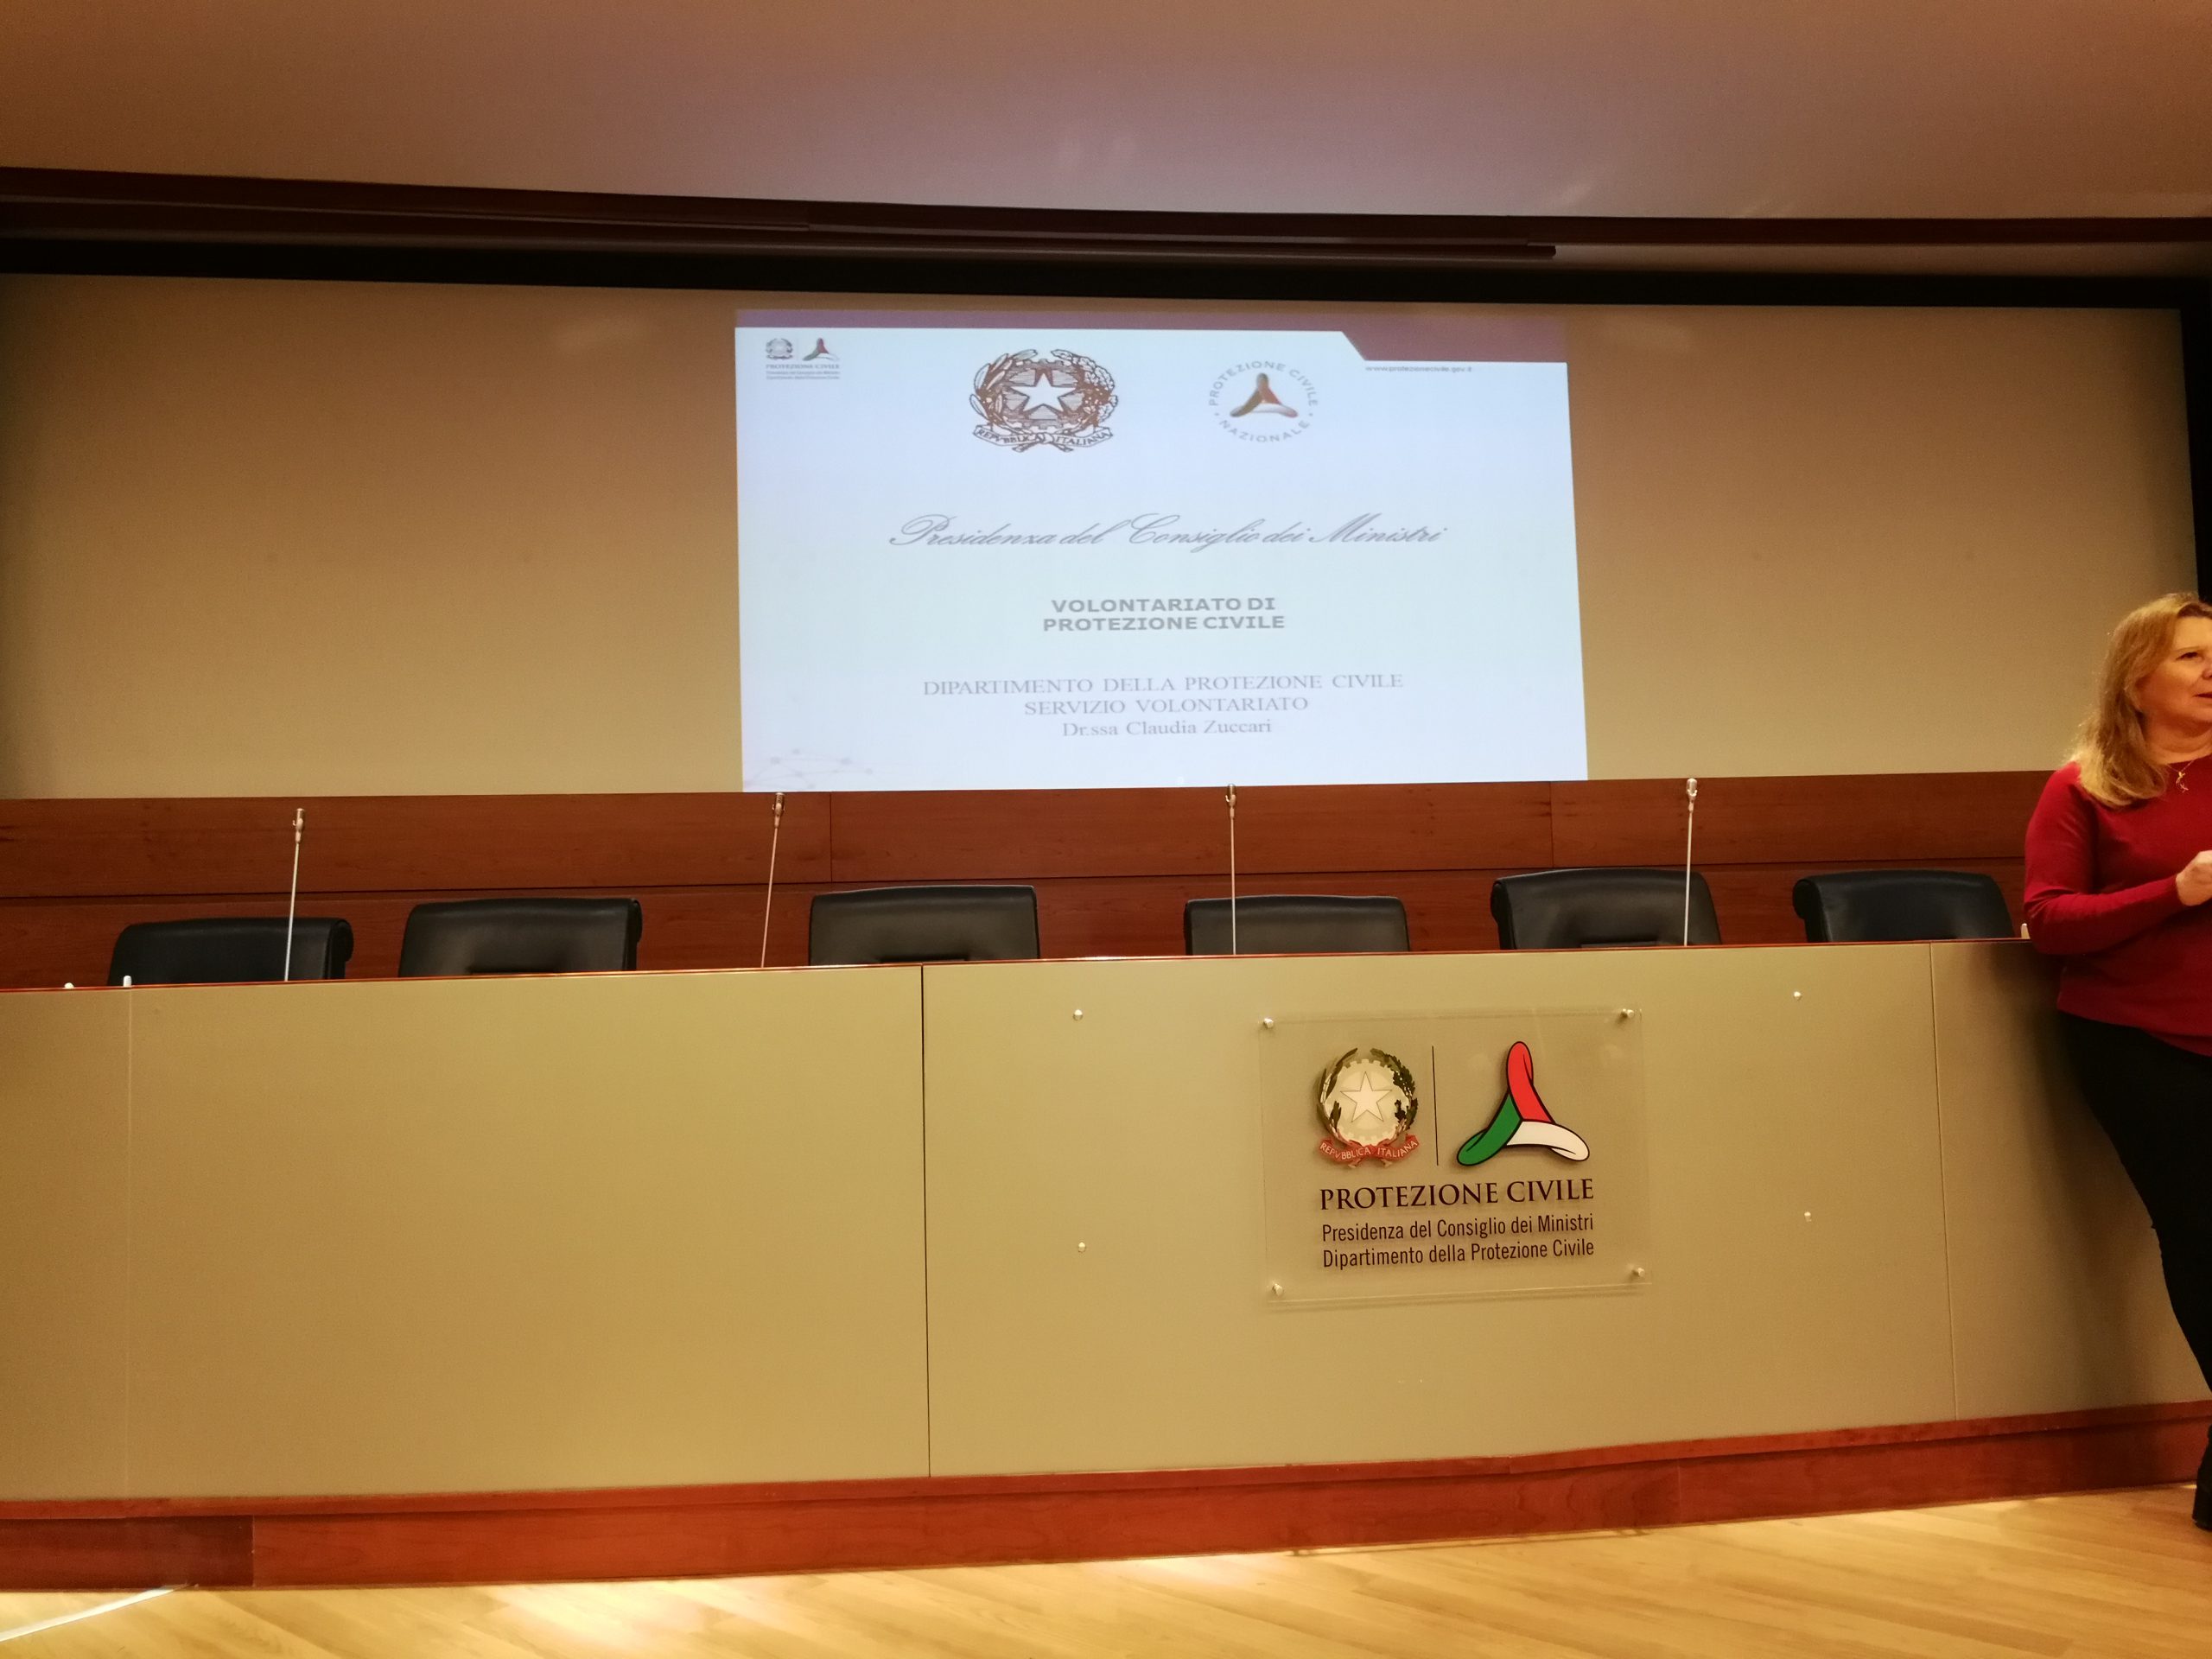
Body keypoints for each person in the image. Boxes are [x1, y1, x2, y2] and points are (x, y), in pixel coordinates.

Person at [2024, 591, 2212, 1531]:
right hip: (2137, 1042)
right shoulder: (2085, 786)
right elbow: (2048, 920)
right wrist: (2175, 891)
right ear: (2137, 681)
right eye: (2191, 656)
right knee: (2202, 1233)